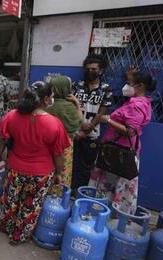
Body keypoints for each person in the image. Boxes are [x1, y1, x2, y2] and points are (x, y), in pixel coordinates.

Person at [0, 82, 71, 244]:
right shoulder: (54, 124)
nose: (52, 99)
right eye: (52, 96)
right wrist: (59, 173)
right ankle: (19, 235)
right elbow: (59, 153)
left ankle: (5, 225)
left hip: (15, 168)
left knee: (10, 199)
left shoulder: (11, 116)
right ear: (46, 99)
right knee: (31, 204)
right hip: (41, 173)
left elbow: (2, 140)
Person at [88, 71, 154, 215]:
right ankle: (105, 213)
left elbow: (130, 131)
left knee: (111, 184)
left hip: (119, 152)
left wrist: (108, 120)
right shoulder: (140, 101)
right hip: (118, 150)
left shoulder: (137, 105)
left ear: (140, 86)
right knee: (112, 185)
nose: (126, 86)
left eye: (129, 84)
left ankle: (106, 214)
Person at [71, 54, 112, 193]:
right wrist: (80, 126)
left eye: (94, 69)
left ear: (100, 70)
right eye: (88, 69)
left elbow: (103, 110)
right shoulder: (77, 86)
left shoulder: (105, 89)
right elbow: (71, 107)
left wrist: (89, 128)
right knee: (72, 162)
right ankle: (70, 189)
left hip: (92, 133)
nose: (90, 72)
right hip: (75, 132)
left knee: (87, 165)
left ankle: (81, 192)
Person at [47, 75, 84, 188]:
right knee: (62, 172)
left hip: (47, 145)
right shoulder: (70, 107)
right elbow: (80, 122)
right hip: (65, 146)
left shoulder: (47, 105)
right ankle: (58, 198)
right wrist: (77, 104)